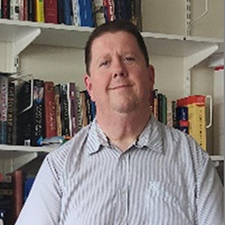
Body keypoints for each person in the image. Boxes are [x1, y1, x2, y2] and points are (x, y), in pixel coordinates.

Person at [15, 19, 224, 225]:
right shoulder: (59, 167)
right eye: (105, 63)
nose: (118, 70)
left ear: (150, 76)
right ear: (89, 87)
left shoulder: (193, 161)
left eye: (129, 58)